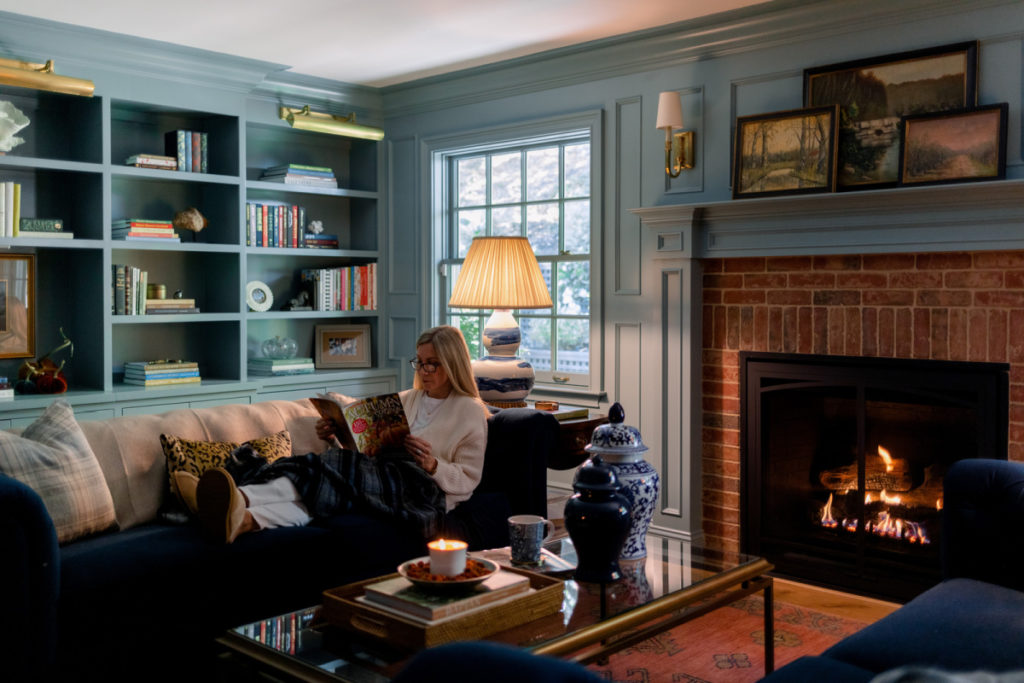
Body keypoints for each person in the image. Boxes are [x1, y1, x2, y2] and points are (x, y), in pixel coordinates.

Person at [176, 325, 490, 543]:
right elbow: (370, 450)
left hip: (422, 492)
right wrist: (337, 434)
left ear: (452, 363)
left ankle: (234, 497)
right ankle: (243, 521)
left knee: (326, 466)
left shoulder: (470, 411)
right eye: (419, 362)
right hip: (383, 474)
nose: (423, 370)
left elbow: (468, 481)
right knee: (324, 494)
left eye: (432, 364)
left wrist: (433, 465)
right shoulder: (408, 398)